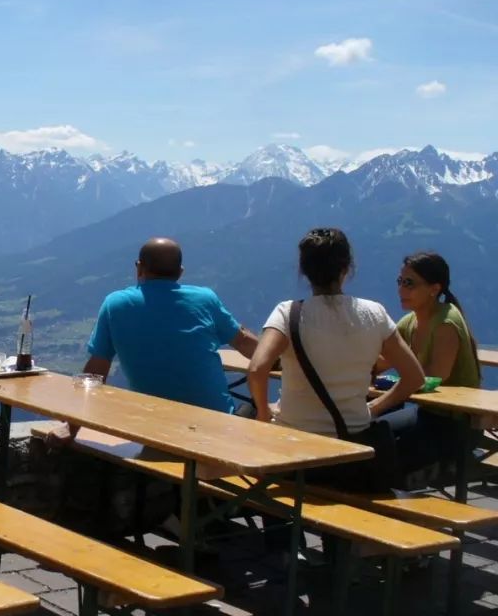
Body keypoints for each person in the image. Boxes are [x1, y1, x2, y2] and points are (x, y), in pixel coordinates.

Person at [45, 237, 259, 536]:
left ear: (138, 268)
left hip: (156, 432)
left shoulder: (116, 304)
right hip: (216, 432)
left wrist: (72, 427)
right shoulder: (206, 300)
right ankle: (230, 512)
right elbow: (250, 348)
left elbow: (95, 373)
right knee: (262, 409)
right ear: (181, 273)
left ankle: (193, 512)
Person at [248, 228, 424, 487]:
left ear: (304, 270)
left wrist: (263, 415)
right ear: (347, 268)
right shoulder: (374, 313)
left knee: (270, 494)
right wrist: (373, 408)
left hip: (294, 448)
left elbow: (256, 369)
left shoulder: (288, 313)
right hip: (354, 447)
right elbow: (414, 377)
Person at [390, 252, 482, 482]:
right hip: (426, 414)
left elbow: (434, 377)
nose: (401, 289)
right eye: (400, 281)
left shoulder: (446, 323)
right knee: (371, 432)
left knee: (386, 453)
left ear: (434, 289)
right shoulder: (411, 321)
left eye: (409, 283)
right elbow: (381, 360)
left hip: (456, 425)